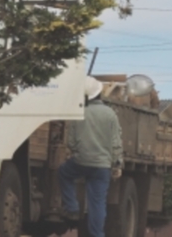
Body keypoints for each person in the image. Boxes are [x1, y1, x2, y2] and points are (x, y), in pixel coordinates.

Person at [57, 77, 123, 236]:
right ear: (100, 93)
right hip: (103, 167)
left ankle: (72, 207)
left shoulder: (79, 113)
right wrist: (117, 164)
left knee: (64, 172)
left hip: (81, 162)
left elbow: (71, 142)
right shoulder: (110, 114)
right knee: (97, 204)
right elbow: (116, 142)